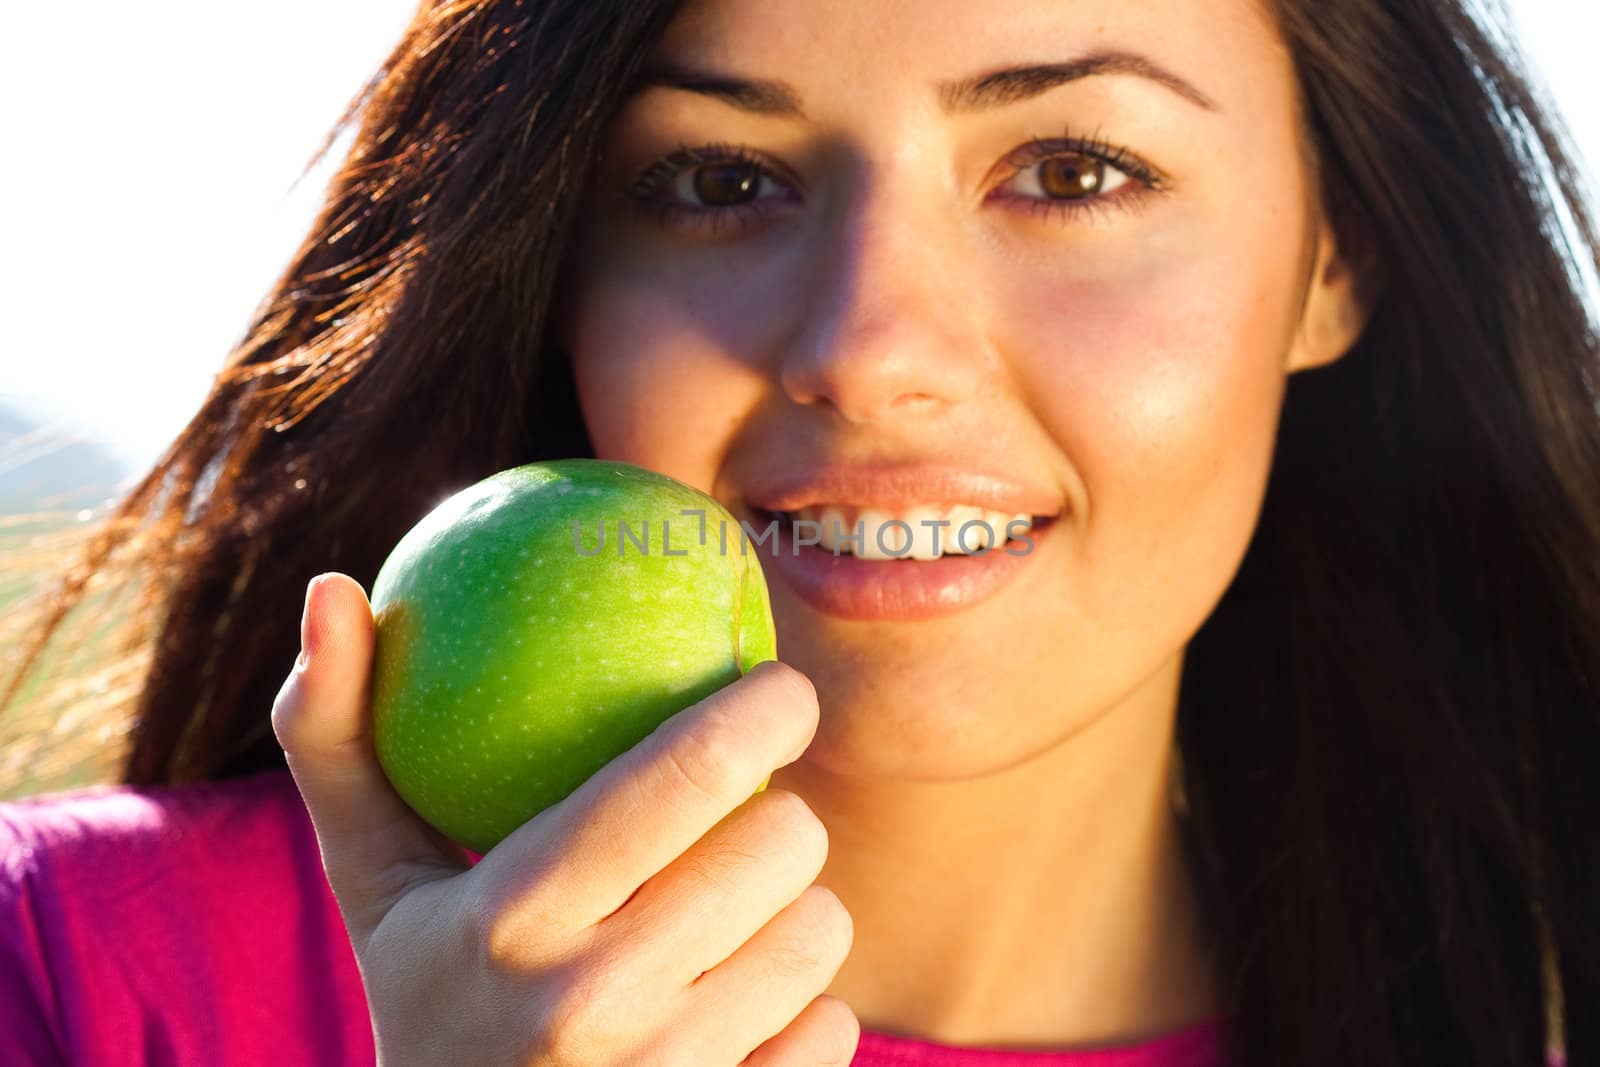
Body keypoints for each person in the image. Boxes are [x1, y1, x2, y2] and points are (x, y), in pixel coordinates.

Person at [1, 0, 1594, 1063]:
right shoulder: (82, 975)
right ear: (560, 282)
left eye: (1072, 168)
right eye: (720, 177)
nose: (870, 345)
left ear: (1336, 260)